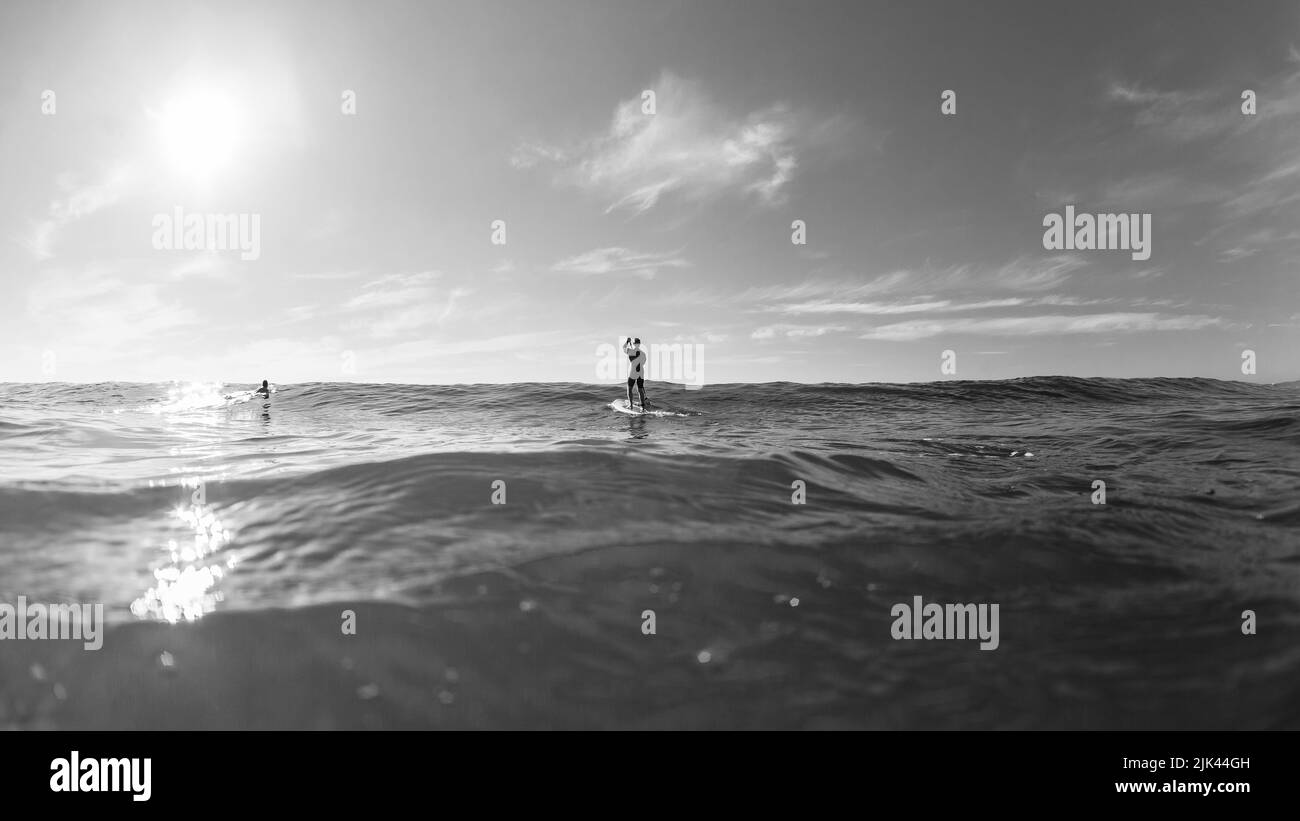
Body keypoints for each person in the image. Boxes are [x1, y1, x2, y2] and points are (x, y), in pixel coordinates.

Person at [624, 337, 648, 408]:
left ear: (634, 344)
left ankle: (630, 405)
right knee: (640, 389)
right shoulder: (643, 354)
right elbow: (643, 363)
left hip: (633, 372)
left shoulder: (629, 351)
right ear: (639, 344)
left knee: (629, 388)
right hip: (641, 372)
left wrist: (627, 342)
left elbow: (623, 347)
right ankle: (643, 405)